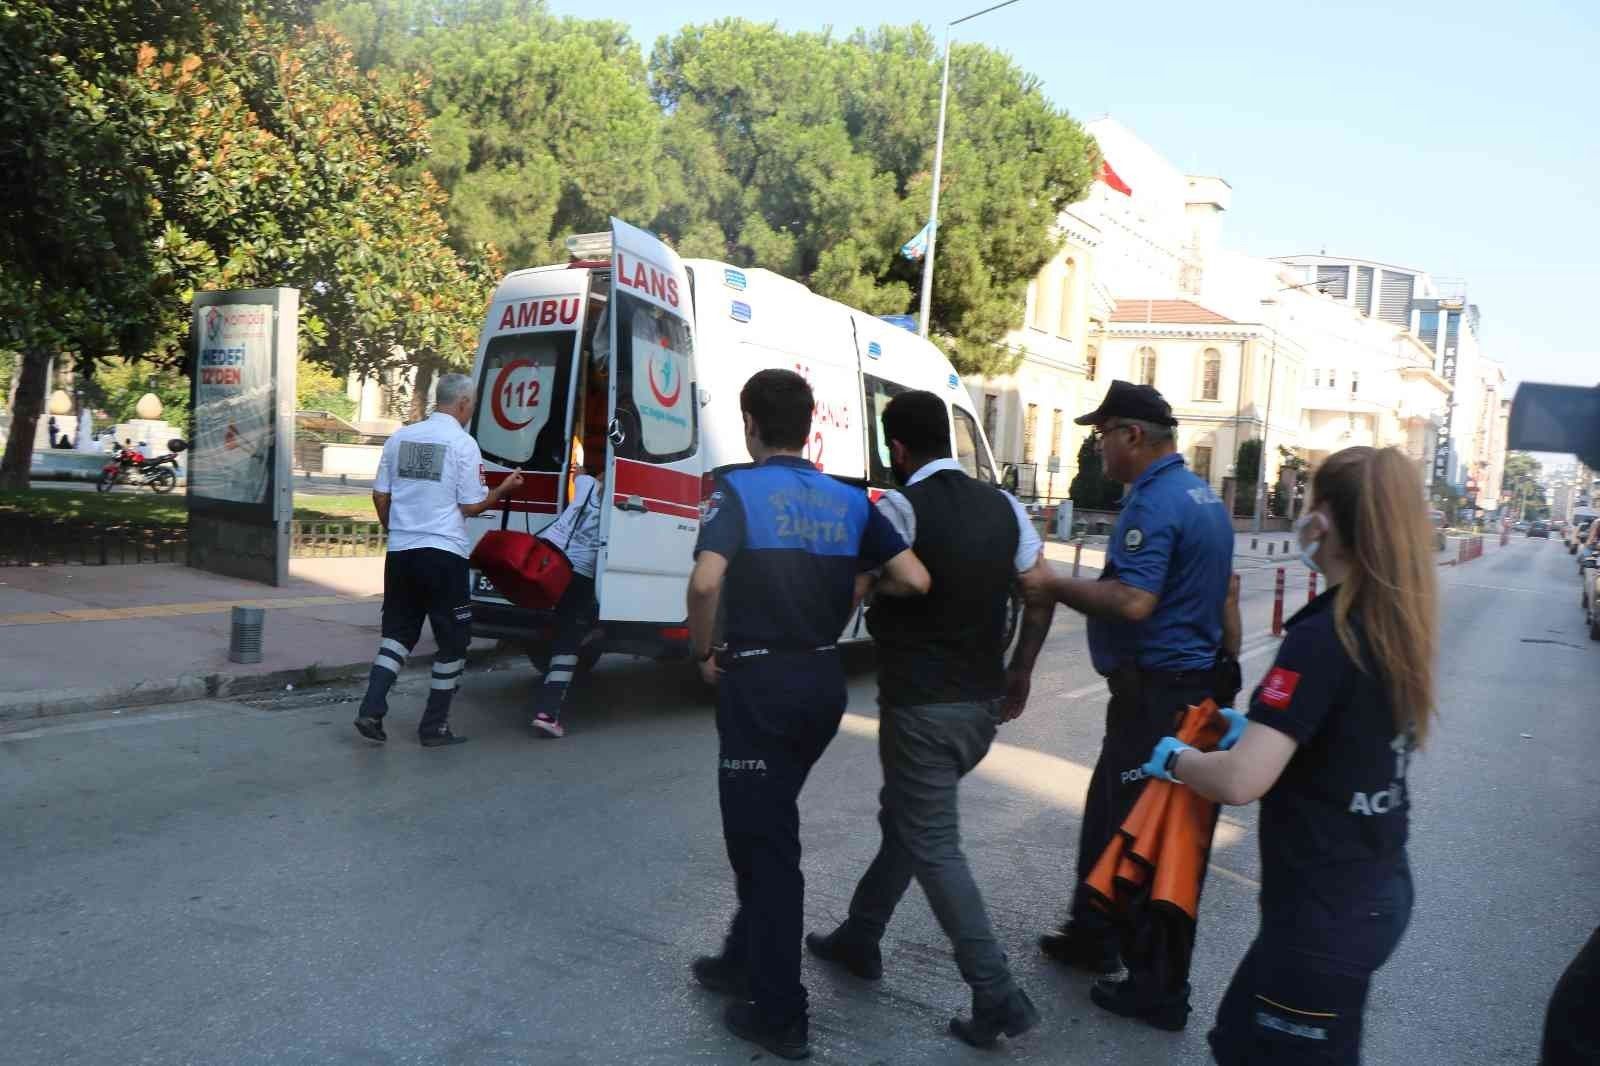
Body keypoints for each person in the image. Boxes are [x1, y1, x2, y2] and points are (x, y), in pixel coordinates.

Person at [1140, 445, 1437, 1064]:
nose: (1301, 514)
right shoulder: (1391, 619)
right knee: (1237, 1039)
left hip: (1322, 916)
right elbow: (1347, 731)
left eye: (1307, 501)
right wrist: (1256, 725)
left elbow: (1242, 780)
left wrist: (1176, 761)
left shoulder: (1323, 635)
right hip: (1370, 891)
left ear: (1324, 522)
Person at [686, 368, 929, 1061]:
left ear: (751, 426)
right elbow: (914, 577)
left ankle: (780, 1011)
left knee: (764, 847)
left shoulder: (737, 489)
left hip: (759, 679)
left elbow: (706, 579)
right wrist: (856, 583)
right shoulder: (850, 500)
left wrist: (703, 651)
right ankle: (742, 958)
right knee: (768, 823)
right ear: (809, 426)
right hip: (821, 679)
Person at [804, 390, 1055, 1048]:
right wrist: (1021, 667)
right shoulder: (1004, 506)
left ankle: (996, 993)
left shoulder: (899, 508)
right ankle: (861, 935)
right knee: (908, 823)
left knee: (934, 845)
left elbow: (856, 588)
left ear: (898, 449)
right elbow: (1039, 588)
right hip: (980, 707)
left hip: (922, 707)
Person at [1033, 379, 1235, 1030]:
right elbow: (1227, 594)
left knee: (1151, 836)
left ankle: (1155, 986)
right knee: (1114, 815)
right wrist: (1226, 664)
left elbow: (1135, 602)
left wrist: (1058, 586)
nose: (1097, 450)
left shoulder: (1155, 501)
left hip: (1159, 694)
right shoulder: (1203, 495)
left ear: (1133, 436)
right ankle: (1092, 933)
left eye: (1101, 436)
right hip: (1187, 685)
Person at [354, 373, 524, 748]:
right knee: (454, 640)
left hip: (402, 553)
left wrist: (396, 530)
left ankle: (371, 708)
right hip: (444, 555)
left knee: (398, 634)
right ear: (463, 403)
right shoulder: (463, 445)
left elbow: (380, 496)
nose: (472, 410)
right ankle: (434, 727)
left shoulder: (400, 437)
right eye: (473, 403)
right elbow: (471, 505)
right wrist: (504, 489)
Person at [529, 439, 603, 739]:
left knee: (565, 632)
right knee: (567, 646)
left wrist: (586, 473)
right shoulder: (616, 501)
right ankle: (547, 713)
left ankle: (586, 632)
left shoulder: (585, 484)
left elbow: (577, 473)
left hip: (559, 568)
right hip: (583, 576)